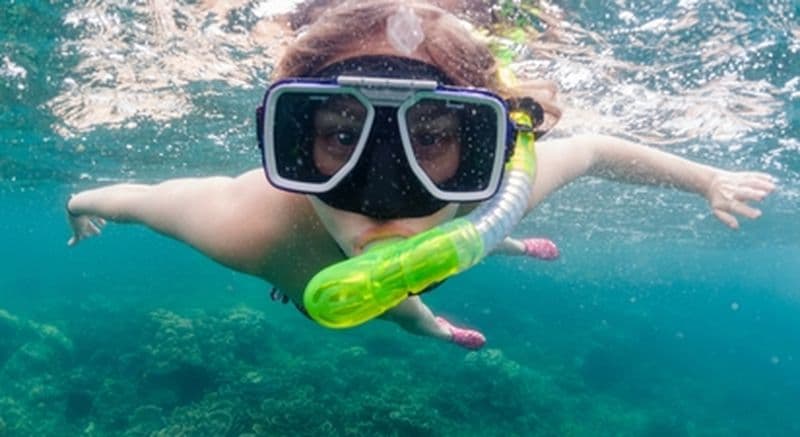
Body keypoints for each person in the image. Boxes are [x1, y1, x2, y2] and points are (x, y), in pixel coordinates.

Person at [65, 1, 775, 350]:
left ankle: (500, 247)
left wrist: (706, 179)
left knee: (388, 279)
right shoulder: (249, 227)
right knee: (367, 302)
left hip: (457, 230)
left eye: (433, 138)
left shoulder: (500, 191)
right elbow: (134, 199)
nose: (383, 191)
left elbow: (591, 149)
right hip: (315, 270)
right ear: (291, 143)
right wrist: (79, 204)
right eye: (341, 135)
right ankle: (436, 322)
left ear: (489, 154)